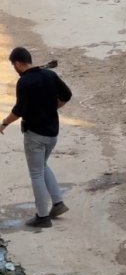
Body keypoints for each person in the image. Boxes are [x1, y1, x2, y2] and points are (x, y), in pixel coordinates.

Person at [0, 47, 72, 228]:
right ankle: (58, 203)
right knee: (42, 166)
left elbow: (18, 111)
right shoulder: (49, 75)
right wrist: (51, 108)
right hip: (52, 133)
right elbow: (66, 95)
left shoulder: (24, 83)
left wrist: (4, 123)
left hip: (35, 136)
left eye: (13, 65)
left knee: (36, 173)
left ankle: (42, 216)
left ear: (17, 63)